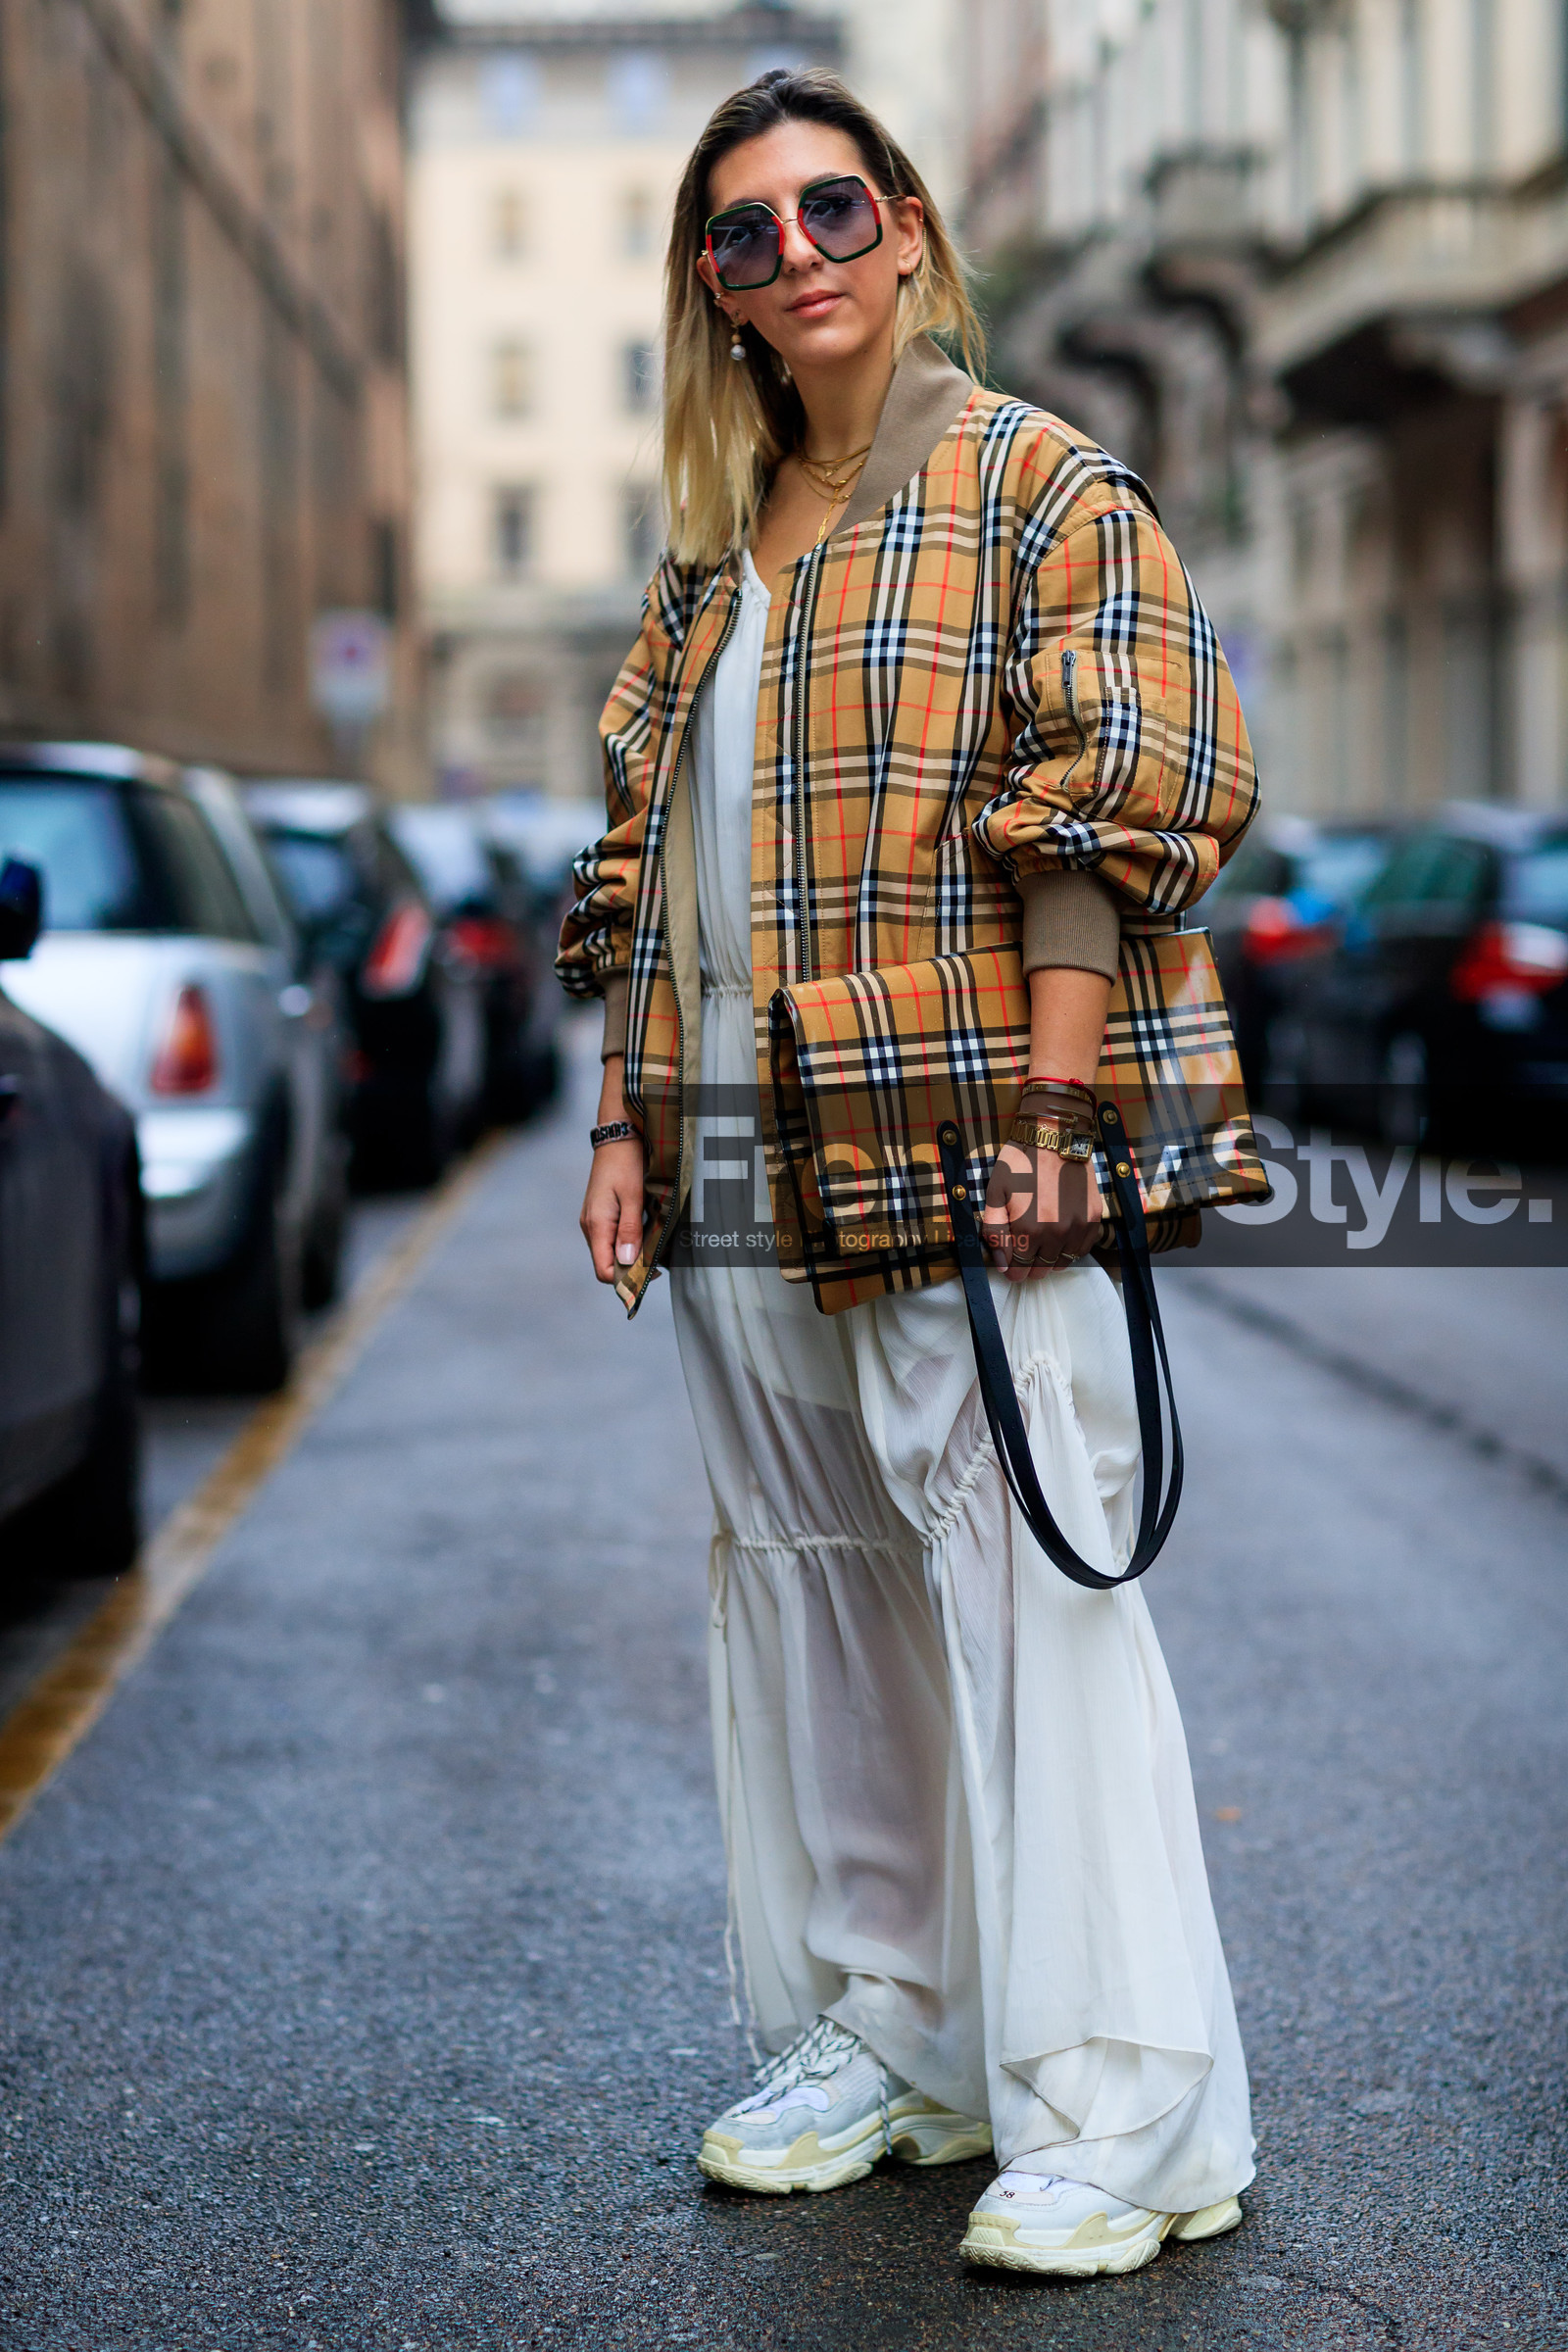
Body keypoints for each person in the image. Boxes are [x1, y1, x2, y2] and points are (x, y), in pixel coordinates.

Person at [559, 67, 1258, 2281]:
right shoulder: (710, 549)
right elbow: (650, 868)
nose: (795, 255)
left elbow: (1106, 810)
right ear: (714, 289)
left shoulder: (1037, 481)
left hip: (968, 1120)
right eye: (741, 232)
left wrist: (1054, 1124)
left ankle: (1125, 2108)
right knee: (821, 1579)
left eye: (826, 206)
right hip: (744, 1146)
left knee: (1020, 1585)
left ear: (910, 221)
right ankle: (906, 2028)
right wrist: (620, 1117)